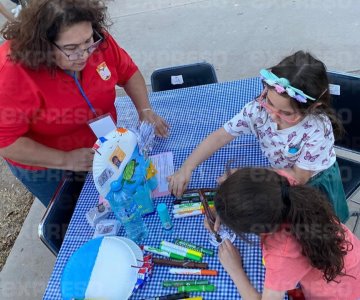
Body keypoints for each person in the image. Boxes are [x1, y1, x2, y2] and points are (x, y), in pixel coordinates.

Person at [0, 0, 169, 206]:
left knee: (120, 198)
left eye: (89, 42)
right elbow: (6, 141)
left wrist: (144, 109)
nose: (85, 54)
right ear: (43, 45)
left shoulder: (94, 39)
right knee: (74, 214)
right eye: (71, 48)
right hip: (50, 166)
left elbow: (128, 72)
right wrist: (66, 159)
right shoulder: (13, 73)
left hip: (100, 146)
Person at [168, 51, 349, 222]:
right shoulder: (258, 109)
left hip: (313, 184)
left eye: (286, 113)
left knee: (317, 228)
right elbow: (221, 136)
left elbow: (298, 178)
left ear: (313, 107)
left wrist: (248, 175)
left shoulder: (317, 129)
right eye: (269, 101)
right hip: (279, 174)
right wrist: (187, 167)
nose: (272, 115)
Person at [211, 168, 360, 300]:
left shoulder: (282, 254)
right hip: (350, 256)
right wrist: (228, 206)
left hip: (337, 293)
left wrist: (235, 269)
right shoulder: (281, 184)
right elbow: (251, 183)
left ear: (261, 230)